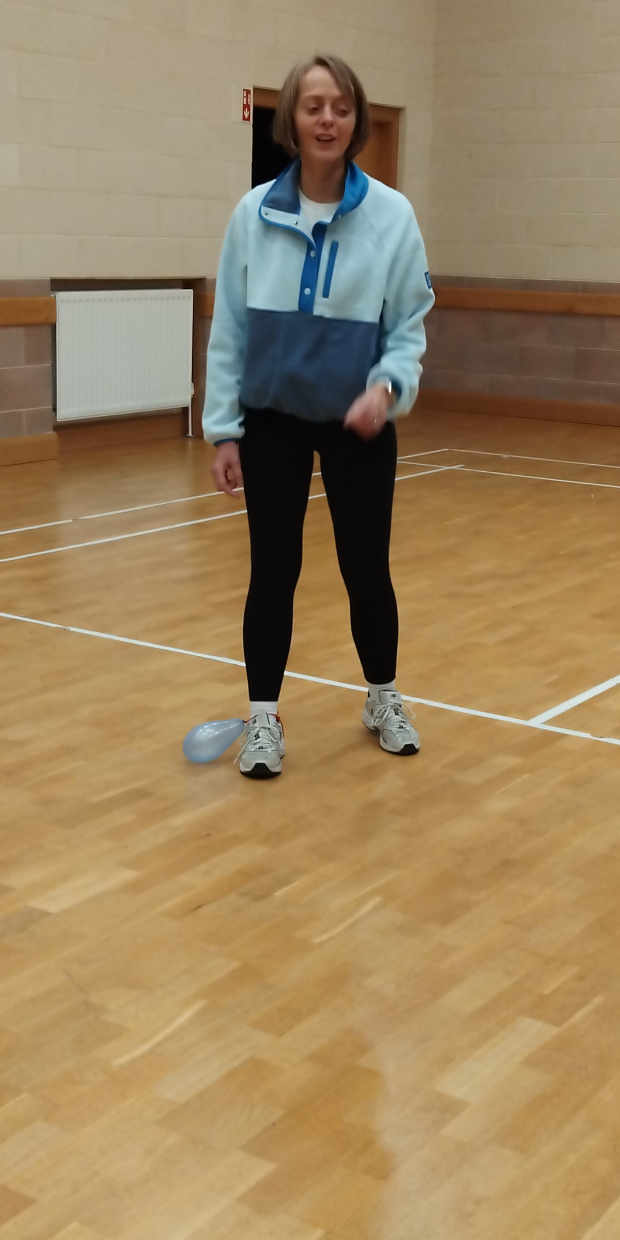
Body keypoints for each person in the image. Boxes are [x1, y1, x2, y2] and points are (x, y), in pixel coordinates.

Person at [204, 53, 433, 779]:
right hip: (271, 423)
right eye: (312, 106)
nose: (327, 119)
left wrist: (386, 389)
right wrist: (224, 430)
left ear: (356, 119)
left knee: (366, 568)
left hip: (357, 425)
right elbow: (229, 328)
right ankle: (263, 718)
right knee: (273, 570)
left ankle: (383, 696)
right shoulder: (252, 214)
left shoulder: (392, 216)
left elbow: (409, 327)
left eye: (340, 107)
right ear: (293, 121)